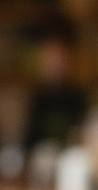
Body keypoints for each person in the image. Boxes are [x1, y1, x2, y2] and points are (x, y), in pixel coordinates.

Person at [22, 18, 87, 151]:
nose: (55, 65)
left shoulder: (79, 99)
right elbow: (28, 144)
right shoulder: (38, 101)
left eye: (59, 59)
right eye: (50, 59)